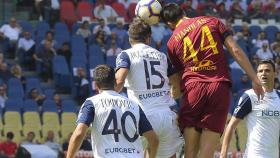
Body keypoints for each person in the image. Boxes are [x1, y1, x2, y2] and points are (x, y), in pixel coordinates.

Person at [160, 3, 264, 158]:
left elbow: (178, 79)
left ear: (169, 24)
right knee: (207, 153)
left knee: (190, 152)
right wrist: (254, 78)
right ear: (183, 12)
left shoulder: (171, 43)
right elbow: (235, 49)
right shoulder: (212, 21)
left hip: (193, 91)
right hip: (218, 86)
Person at [115, 17, 183, 158]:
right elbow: (176, 84)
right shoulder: (162, 56)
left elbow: (120, 80)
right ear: (148, 39)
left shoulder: (126, 55)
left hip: (143, 116)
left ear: (130, 39)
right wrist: (169, 96)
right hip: (166, 115)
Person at [66, 65, 159, 158]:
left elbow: (79, 134)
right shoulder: (135, 106)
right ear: (115, 82)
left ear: (95, 85)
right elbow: (154, 140)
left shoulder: (91, 103)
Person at [220, 60, 280, 158]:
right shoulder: (250, 96)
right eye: (260, 71)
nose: (263, 73)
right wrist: (223, 154)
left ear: (275, 73)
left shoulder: (279, 96)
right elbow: (231, 125)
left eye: (267, 70)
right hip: (254, 155)